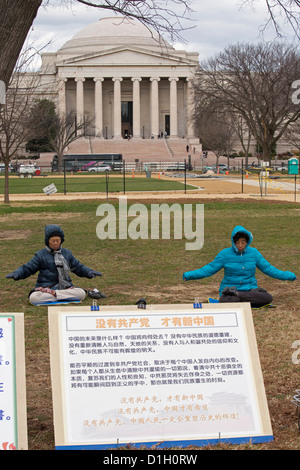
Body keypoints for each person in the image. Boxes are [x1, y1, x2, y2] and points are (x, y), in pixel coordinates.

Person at [183, 225, 297, 308]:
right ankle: (240, 298)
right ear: (233, 242)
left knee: (267, 298)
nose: (240, 245)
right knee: (225, 300)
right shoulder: (224, 254)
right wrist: (189, 275)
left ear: (248, 241)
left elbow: (269, 269)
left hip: (249, 290)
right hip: (229, 292)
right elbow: (208, 269)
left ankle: (239, 296)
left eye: (243, 242)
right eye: (238, 242)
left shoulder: (254, 253)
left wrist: (289, 276)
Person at [6, 224, 103, 306]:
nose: (56, 243)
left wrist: (89, 272)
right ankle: (60, 296)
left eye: (58, 240)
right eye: (53, 241)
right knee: (34, 298)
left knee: (81, 293)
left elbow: (78, 267)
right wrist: (17, 274)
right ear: (48, 241)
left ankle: (56, 296)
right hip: (46, 288)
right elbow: (28, 268)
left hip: (65, 287)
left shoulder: (67, 253)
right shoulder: (40, 255)